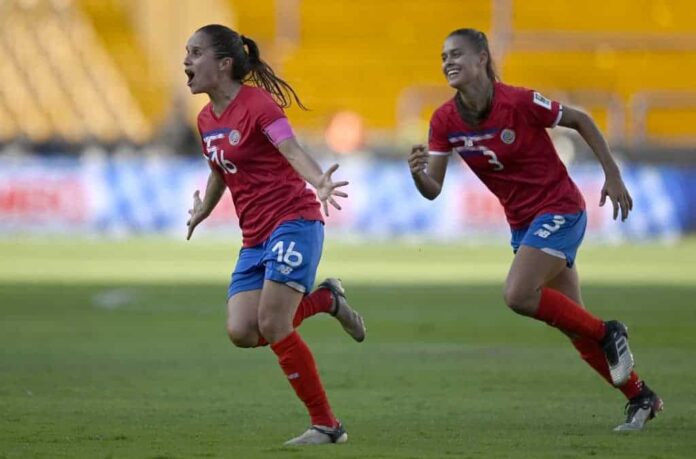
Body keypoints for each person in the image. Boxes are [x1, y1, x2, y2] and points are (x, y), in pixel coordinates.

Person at [408, 28, 662, 432]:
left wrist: (611, 175)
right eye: (443, 57)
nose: (448, 62)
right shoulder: (444, 120)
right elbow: (433, 190)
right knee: (575, 329)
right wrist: (419, 175)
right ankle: (641, 397)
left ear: (482, 59)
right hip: (524, 224)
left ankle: (610, 331)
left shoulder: (519, 102)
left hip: (560, 208)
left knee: (519, 293)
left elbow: (581, 119)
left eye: (457, 54)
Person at [183, 24, 366, 446]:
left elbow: (290, 149)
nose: (186, 62)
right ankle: (326, 300)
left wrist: (319, 181)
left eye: (195, 53)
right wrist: (203, 210)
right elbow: (219, 172)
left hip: (294, 221)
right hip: (255, 238)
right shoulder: (205, 118)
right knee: (243, 331)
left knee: (272, 321)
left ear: (224, 64)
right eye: (186, 53)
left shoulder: (258, 105)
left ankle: (327, 426)